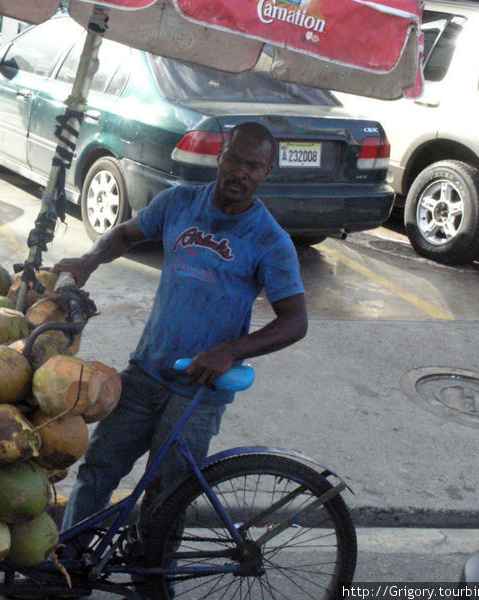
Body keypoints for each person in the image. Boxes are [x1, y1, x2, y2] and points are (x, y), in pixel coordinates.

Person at [54, 121, 309, 550]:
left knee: (167, 495)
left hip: (197, 391)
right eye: (233, 159)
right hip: (145, 371)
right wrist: (89, 260)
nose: (240, 172)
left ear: (268, 172)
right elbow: (125, 233)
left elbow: (295, 321)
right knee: (98, 468)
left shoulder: (270, 241)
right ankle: (68, 563)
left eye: (253, 165)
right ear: (219, 157)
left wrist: (231, 350)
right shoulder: (179, 203)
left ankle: (154, 581)